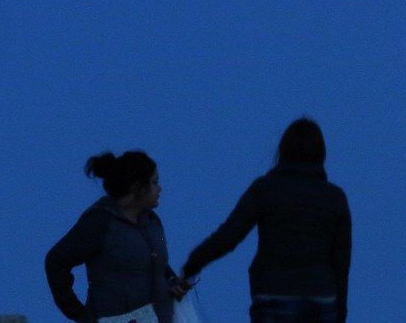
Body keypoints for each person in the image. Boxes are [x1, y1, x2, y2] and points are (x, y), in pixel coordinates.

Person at [180, 118, 352, 323]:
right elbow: (341, 263)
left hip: (274, 294)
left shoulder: (264, 189)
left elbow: (229, 235)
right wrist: (340, 312)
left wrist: (192, 265)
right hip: (321, 297)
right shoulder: (335, 198)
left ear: (283, 150)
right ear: (321, 153)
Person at [45, 151, 187, 323]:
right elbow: (56, 261)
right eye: (154, 182)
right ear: (137, 187)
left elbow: (152, 261)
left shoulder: (151, 221)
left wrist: (172, 282)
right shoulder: (100, 221)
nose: (159, 189)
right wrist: (80, 315)